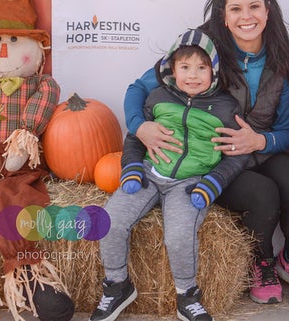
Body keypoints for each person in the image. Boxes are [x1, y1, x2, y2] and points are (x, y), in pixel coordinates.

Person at [123, 0, 289, 305]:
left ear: (267, 10)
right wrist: (140, 126)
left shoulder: (283, 62)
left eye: (254, 7)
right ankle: (263, 263)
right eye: (236, 9)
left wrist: (260, 141)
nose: (247, 16)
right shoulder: (200, 49)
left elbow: (288, 131)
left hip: (260, 151)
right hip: (211, 158)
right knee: (263, 194)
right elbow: (138, 88)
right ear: (224, 17)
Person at [90, 29, 251, 321]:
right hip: (150, 174)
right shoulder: (157, 97)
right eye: (185, 67)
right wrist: (132, 167)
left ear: (214, 71)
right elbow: (135, 138)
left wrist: (212, 183)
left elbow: (237, 155)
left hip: (189, 184)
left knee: (178, 235)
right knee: (111, 221)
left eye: (202, 68)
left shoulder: (226, 108)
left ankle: (186, 296)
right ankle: (117, 285)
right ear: (171, 69)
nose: (193, 75)